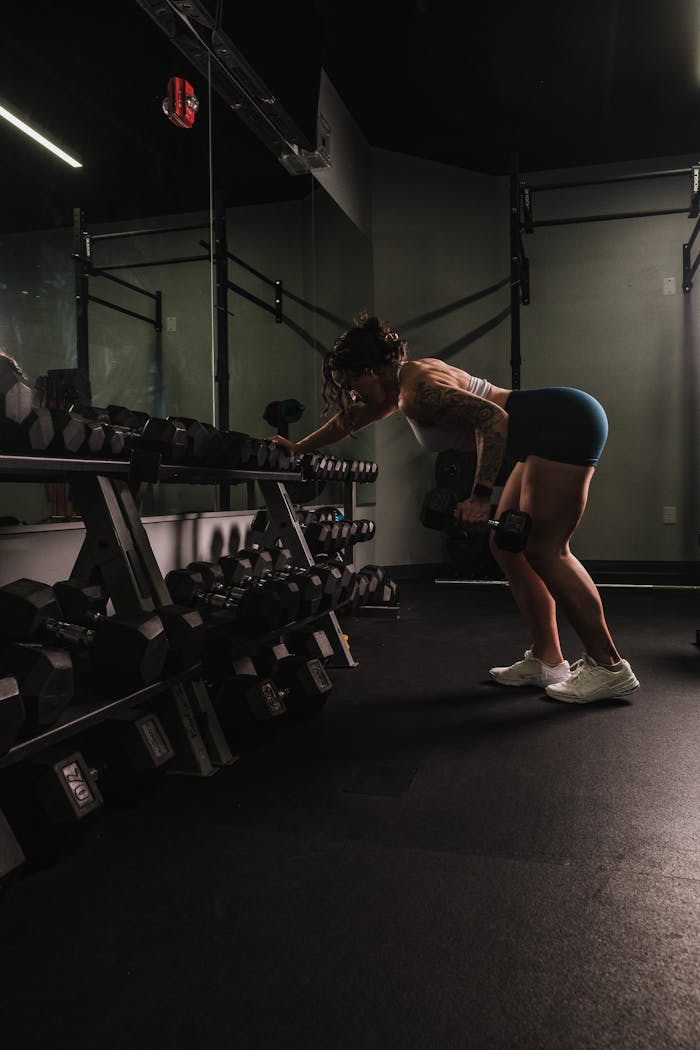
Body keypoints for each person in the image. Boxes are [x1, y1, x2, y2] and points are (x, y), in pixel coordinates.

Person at [271, 313, 639, 703]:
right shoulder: (400, 384)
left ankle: (609, 666)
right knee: (506, 546)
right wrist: (298, 449)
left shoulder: (418, 392)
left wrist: (480, 496)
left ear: (370, 370)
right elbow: (349, 421)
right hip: (543, 432)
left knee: (546, 551)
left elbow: (494, 420)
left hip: (564, 424)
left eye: (352, 385)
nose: (352, 395)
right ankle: (548, 660)